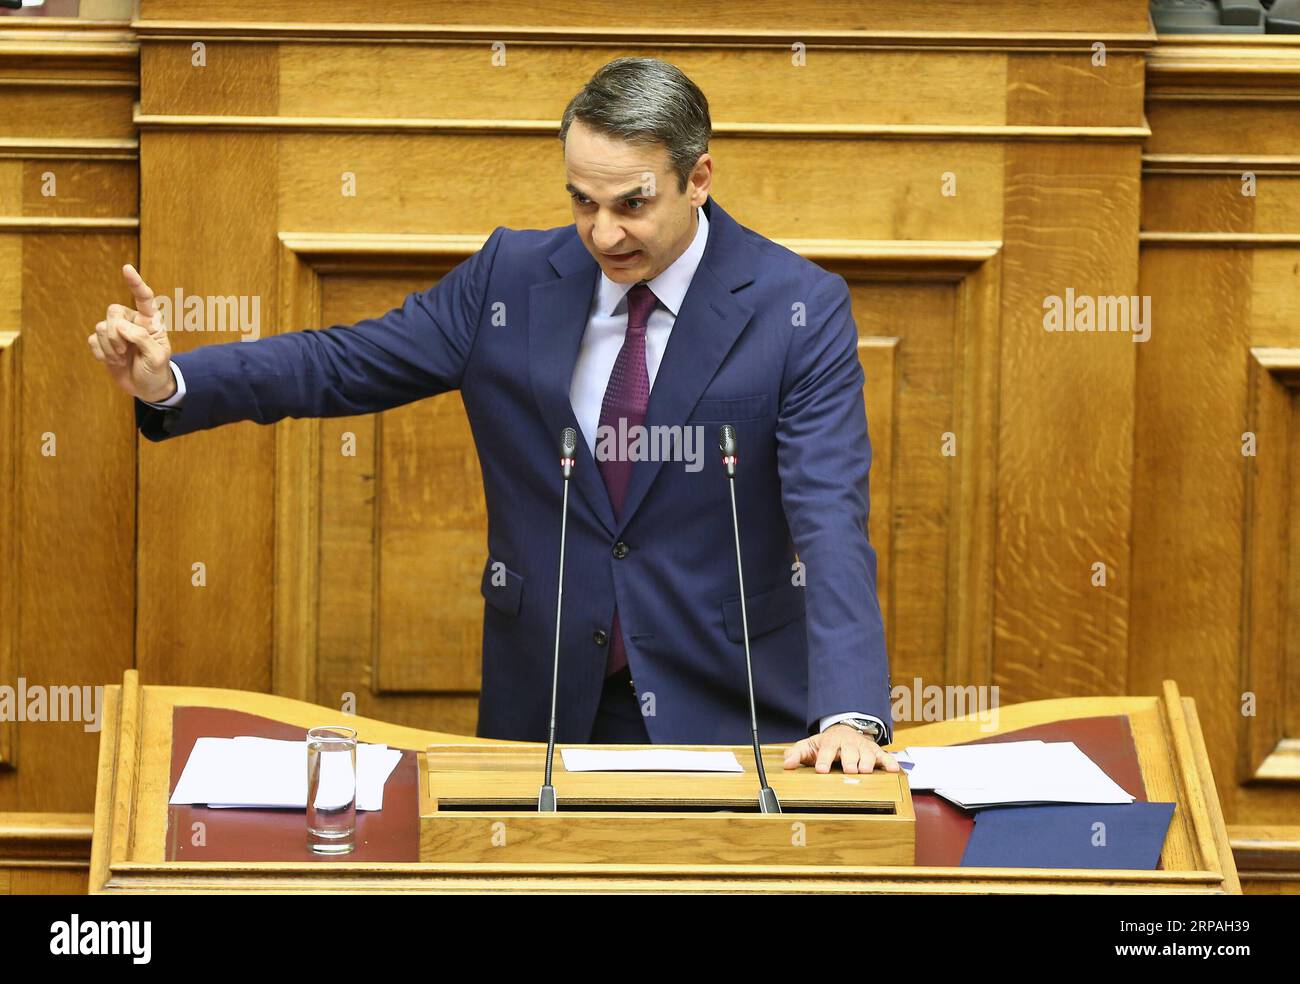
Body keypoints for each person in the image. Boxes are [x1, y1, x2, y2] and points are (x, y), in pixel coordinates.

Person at [89, 57, 898, 775]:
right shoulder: (510, 279)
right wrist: (176, 382)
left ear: (699, 178)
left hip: (731, 708)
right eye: (582, 201)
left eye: (631, 204)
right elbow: (341, 363)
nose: (602, 233)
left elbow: (829, 514)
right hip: (546, 706)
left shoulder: (796, 306)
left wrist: (852, 711)